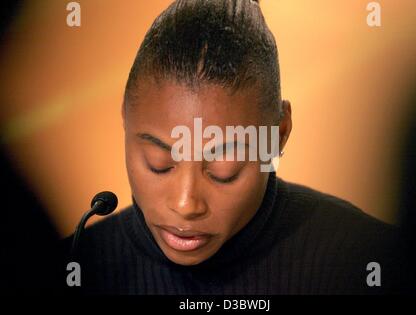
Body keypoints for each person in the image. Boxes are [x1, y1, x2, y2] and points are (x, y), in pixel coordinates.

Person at [65, 0, 399, 294]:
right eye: (160, 163)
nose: (186, 204)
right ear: (125, 116)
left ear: (279, 133)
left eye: (225, 170)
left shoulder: (367, 262)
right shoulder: (78, 267)